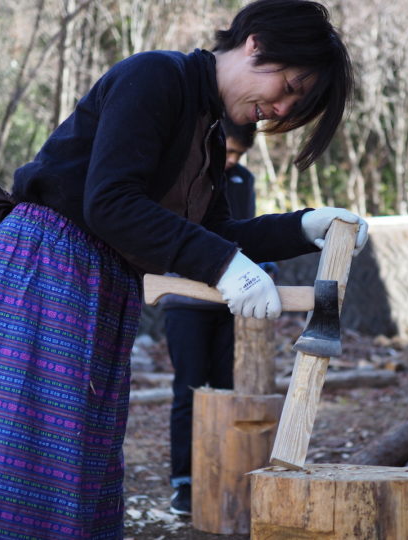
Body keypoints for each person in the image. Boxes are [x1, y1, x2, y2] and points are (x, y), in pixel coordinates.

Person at [0, 1, 368, 538]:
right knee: (21, 461)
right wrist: (225, 266)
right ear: (255, 43)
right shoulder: (156, 76)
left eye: (293, 104)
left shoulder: (208, 133)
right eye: (290, 86)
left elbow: (213, 236)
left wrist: (303, 226)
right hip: (45, 274)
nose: (281, 110)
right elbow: (110, 202)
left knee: (82, 466)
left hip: (98, 285)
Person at [161, 118, 273, 516]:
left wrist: (264, 265)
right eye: (227, 152)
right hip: (184, 301)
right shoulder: (180, 172)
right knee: (189, 391)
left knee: (229, 388)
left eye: (238, 155)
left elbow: (242, 232)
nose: (230, 161)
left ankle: (228, 472)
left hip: (232, 305)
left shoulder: (241, 180)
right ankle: (185, 482)